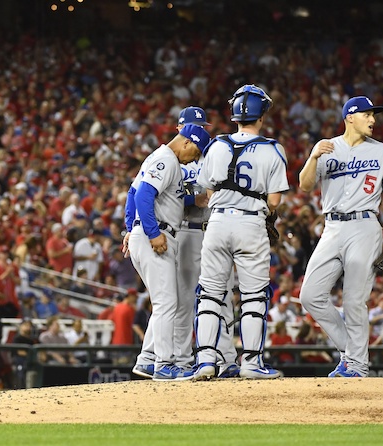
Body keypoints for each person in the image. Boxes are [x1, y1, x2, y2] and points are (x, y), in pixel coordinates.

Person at [298, 96, 383, 378]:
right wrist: (313, 156)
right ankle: (351, 352)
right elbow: (305, 186)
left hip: (364, 225)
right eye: (367, 115)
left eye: (374, 115)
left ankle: (357, 365)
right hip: (332, 227)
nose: (373, 120)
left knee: (354, 300)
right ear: (350, 117)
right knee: (310, 295)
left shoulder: (382, 151)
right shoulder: (328, 148)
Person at [194, 85, 289, 380]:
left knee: (210, 293)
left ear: (234, 113)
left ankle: (206, 361)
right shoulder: (273, 149)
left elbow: (205, 193)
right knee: (253, 296)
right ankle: (251, 363)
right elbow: (274, 201)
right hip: (250, 224)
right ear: (262, 115)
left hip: (218, 222)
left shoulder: (217, 145)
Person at [123, 124, 209, 381]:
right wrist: (152, 233)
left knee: (164, 302)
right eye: (196, 152)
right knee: (166, 303)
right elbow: (142, 196)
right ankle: (164, 364)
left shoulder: (160, 158)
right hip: (155, 234)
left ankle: (148, 360)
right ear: (186, 143)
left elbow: (145, 193)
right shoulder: (166, 159)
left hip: (151, 233)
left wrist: (194, 200)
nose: (195, 158)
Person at [174, 106, 240, 378]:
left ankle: (227, 360)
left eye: (204, 127)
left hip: (213, 230)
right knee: (184, 300)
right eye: (195, 127)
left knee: (222, 296)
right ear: (180, 129)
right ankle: (179, 360)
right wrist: (192, 196)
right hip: (186, 232)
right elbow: (166, 196)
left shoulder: (213, 156)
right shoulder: (170, 158)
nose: (202, 132)